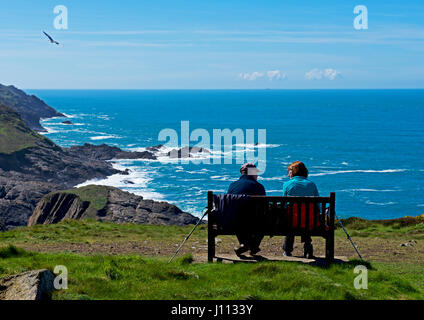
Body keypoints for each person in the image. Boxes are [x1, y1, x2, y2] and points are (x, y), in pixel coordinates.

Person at [227, 163, 266, 256]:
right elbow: (263, 206)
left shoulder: (232, 186)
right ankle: (253, 245)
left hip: (234, 222)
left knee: (238, 216)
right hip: (254, 221)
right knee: (263, 220)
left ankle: (245, 244)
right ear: (252, 173)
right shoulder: (259, 187)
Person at [282, 161, 319, 258]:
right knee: (305, 218)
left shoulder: (287, 184)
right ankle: (308, 247)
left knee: (292, 220)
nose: (288, 174)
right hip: (309, 221)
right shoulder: (311, 184)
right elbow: (317, 204)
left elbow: (284, 204)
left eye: (289, 171)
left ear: (294, 172)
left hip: (292, 221)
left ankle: (287, 250)